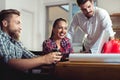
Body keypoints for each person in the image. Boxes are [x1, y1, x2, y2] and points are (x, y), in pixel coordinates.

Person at [0, 9, 62, 80]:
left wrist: (51, 59)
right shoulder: (1, 37)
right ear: (5, 23)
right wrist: (44, 59)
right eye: (17, 23)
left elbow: (32, 56)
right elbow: (9, 62)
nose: (20, 27)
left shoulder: (16, 41)